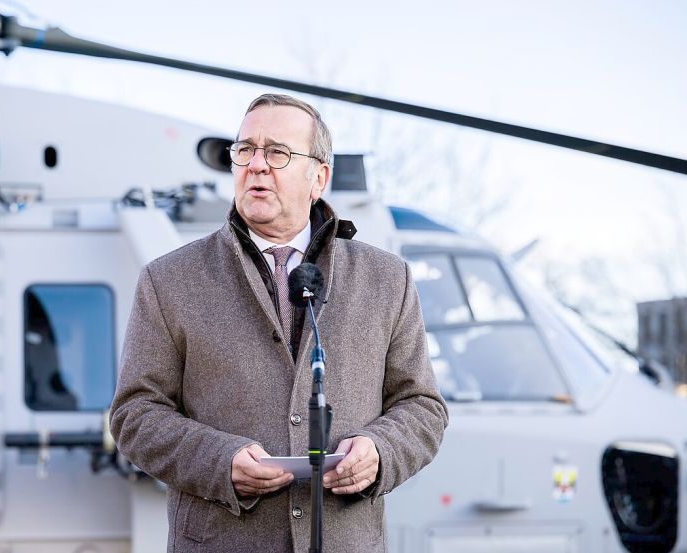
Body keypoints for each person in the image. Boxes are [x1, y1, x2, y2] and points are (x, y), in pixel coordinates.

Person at [110, 93, 448, 553]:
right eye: (245, 150)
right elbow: (135, 415)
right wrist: (220, 461)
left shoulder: (388, 279)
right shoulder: (168, 280)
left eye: (277, 153)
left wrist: (380, 452)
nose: (257, 165)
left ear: (319, 177)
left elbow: (422, 406)